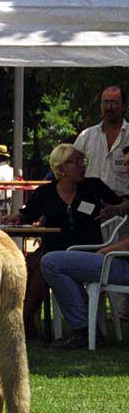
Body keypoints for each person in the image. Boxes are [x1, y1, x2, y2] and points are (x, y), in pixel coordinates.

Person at [2, 144, 123, 340]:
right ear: (61, 168)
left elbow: (121, 204)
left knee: (42, 266)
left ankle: (24, 319)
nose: (82, 166)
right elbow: (26, 214)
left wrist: (115, 210)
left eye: (83, 161)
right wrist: (15, 217)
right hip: (52, 249)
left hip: (86, 252)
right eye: (76, 162)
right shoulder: (45, 192)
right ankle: (27, 321)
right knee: (23, 265)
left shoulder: (94, 186)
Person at [73, 84, 129, 319]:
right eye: (105, 102)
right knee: (93, 254)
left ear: (124, 106)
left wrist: (118, 207)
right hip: (91, 208)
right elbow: (70, 162)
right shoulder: (87, 136)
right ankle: (96, 314)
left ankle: (122, 314)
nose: (109, 107)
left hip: (123, 208)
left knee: (117, 261)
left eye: (114, 102)